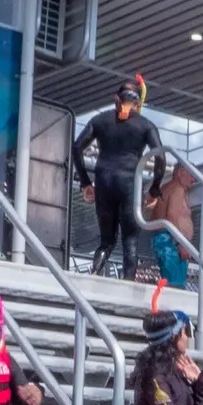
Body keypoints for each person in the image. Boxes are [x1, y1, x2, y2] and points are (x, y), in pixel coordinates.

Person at [70, 74, 162, 281]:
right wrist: (155, 188)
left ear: (116, 98)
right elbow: (161, 157)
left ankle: (94, 274)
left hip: (104, 181)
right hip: (130, 183)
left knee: (106, 241)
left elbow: (77, 147)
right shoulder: (145, 125)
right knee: (130, 241)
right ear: (138, 102)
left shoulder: (100, 120)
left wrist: (85, 182)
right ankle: (128, 286)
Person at [146, 150, 198, 287]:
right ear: (181, 173)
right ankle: (172, 308)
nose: (194, 179)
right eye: (192, 174)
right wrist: (181, 243)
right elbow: (172, 216)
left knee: (172, 282)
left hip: (166, 240)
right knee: (176, 285)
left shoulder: (166, 188)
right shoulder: (177, 189)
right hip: (171, 242)